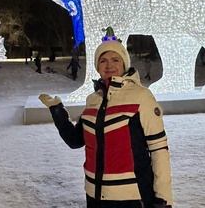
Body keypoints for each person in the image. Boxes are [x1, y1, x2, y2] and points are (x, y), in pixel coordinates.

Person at [38, 29, 173, 207]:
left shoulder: (141, 97)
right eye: (103, 60)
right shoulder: (93, 100)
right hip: (94, 196)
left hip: (132, 198)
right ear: (97, 67)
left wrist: (164, 199)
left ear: (124, 64)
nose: (109, 65)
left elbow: (159, 151)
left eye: (115, 59)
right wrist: (57, 110)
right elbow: (75, 140)